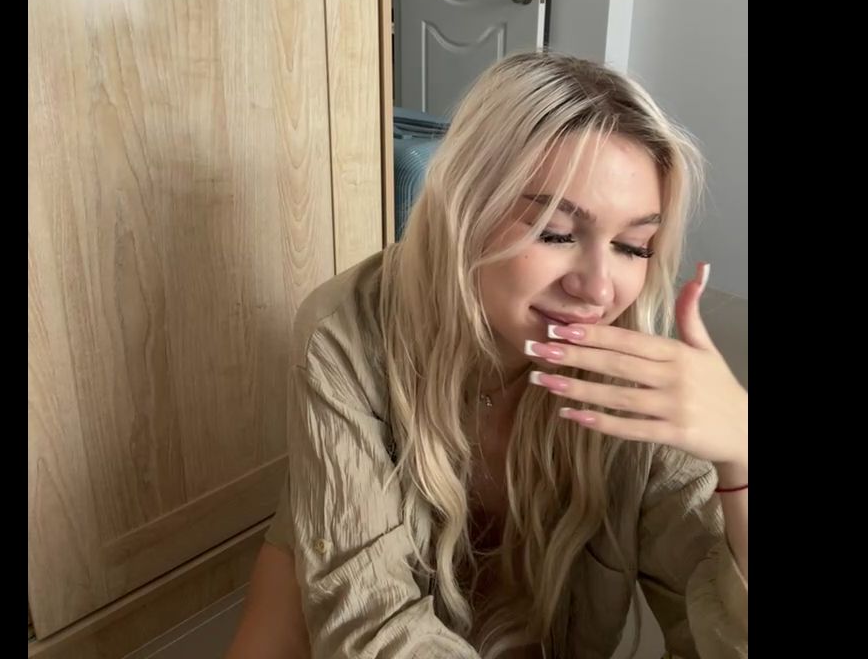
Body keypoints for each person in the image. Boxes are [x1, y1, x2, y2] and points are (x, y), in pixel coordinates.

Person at [227, 51, 748, 659]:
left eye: (634, 245)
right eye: (555, 233)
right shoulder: (348, 333)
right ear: (465, 208)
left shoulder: (639, 384)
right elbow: (372, 622)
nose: (599, 289)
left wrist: (741, 459)